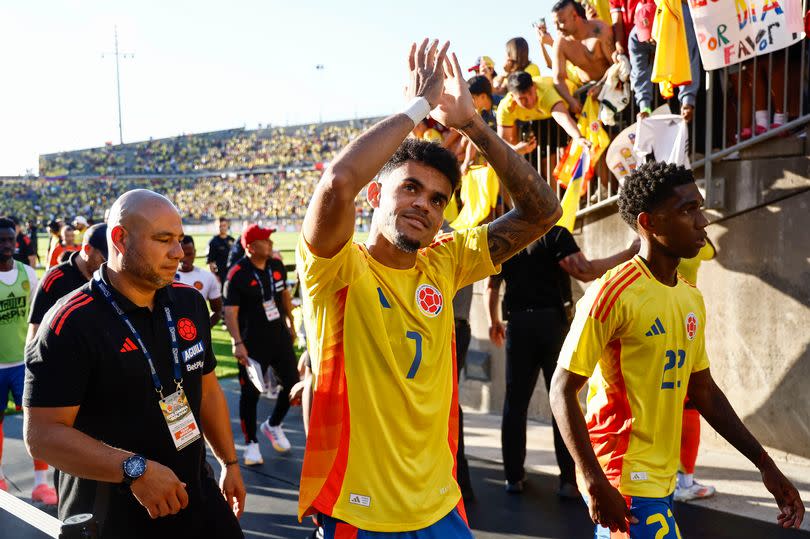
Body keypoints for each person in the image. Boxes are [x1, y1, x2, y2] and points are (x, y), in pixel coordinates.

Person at [296, 39, 562, 537]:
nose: (425, 205)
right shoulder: (334, 267)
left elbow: (544, 212)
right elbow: (336, 182)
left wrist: (472, 125)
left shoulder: (446, 261)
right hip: (361, 512)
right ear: (375, 193)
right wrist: (417, 106)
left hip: (441, 508)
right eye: (410, 188)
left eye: (438, 199)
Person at [549, 162, 805, 537]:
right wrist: (593, 479)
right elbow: (561, 388)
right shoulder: (610, 294)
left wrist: (764, 463)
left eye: (699, 207)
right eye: (687, 210)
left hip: (662, 479)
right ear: (649, 223)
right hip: (624, 477)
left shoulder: (690, 297)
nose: (702, 221)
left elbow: (703, 391)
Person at [23, 190, 246, 538]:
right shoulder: (71, 321)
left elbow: (208, 388)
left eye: (180, 239)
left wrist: (229, 462)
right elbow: (42, 435)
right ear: (120, 239)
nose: (179, 252)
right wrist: (135, 470)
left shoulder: (188, 302)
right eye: (163, 240)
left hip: (194, 493)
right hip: (111, 516)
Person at [488, 226, 639, 497]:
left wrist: (493, 320)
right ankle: (569, 480)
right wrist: (629, 253)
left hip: (519, 324)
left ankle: (513, 478)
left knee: (515, 403)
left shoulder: (509, 235)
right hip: (551, 323)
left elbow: (492, 285)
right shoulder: (554, 234)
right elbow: (584, 270)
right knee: (563, 397)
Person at [223, 224, 299, 464]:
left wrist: (291, 325)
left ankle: (273, 424)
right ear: (251, 247)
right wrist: (237, 343)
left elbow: (284, 297)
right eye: (266, 240)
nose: (271, 244)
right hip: (252, 342)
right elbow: (230, 313)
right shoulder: (237, 274)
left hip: (279, 337)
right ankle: (251, 443)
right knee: (250, 394)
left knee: (293, 386)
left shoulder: (276, 265)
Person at [0, 217, 56, 505]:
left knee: (38, 421)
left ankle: (40, 484)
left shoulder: (28, 273)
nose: (7, 245)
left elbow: (39, 317)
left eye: (11, 239)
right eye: (2, 240)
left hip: (23, 363)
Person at [28, 223, 108, 336]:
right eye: (104, 259)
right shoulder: (55, 278)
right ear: (87, 249)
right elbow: (35, 325)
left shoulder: (108, 276)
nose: (107, 265)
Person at [628, 0, 700, 122]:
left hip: (694, 66)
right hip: (664, 77)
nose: (649, 39)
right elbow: (640, 72)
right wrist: (644, 107)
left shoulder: (680, 19)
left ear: (659, 24)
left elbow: (689, 62)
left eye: (651, 34)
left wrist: (688, 101)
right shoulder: (635, 37)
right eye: (646, 36)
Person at [551, 0, 616, 116]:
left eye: (561, 22)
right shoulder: (561, 43)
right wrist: (571, 101)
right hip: (586, 93)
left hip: (611, 85)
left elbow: (615, 64)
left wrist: (602, 85)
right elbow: (558, 78)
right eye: (554, 24)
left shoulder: (600, 29)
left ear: (575, 16)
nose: (557, 28)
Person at [496, 71, 584, 153]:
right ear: (512, 96)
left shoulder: (545, 91)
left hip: (573, 103)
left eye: (530, 93)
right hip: (544, 116)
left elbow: (562, 118)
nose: (529, 101)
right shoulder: (505, 107)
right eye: (522, 99)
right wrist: (516, 150)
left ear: (534, 86)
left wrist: (578, 137)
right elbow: (502, 142)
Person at [176, 236, 223, 327]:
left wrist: (203, 330)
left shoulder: (208, 277)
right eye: (182, 254)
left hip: (196, 337)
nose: (185, 259)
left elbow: (218, 310)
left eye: (189, 254)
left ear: (195, 253)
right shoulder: (166, 278)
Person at [207, 216, 235, 286]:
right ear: (217, 227)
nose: (222, 228)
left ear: (227, 226)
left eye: (224, 225)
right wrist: (215, 276)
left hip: (231, 274)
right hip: (220, 275)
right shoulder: (213, 242)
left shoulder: (232, 240)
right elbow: (211, 262)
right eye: (220, 226)